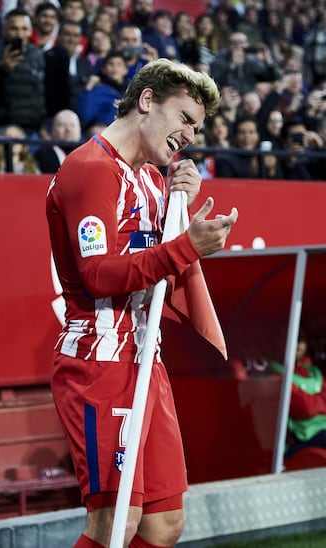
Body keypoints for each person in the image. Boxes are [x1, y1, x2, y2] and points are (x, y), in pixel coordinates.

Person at [46, 58, 238, 548]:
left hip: (146, 363)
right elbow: (98, 275)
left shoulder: (154, 180)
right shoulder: (88, 169)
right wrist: (186, 246)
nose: (190, 133)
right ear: (147, 100)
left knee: (163, 524)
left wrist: (182, 209)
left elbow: (161, 273)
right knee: (115, 523)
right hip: (99, 364)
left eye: (197, 127)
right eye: (185, 118)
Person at [0, 7, 46, 136]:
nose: (19, 33)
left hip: (31, 127)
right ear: (5, 30)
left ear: (30, 31)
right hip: (1, 126)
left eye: (24, 29)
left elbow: (41, 91)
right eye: (14, 28)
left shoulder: (37, 54)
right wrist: (4, 69)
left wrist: (41, 125)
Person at [269, 328, 326, 461]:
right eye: (290, 337)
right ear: (276, 342)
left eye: (300, 339)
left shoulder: (314, 371)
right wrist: (319, 401)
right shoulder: (274, 374)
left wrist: (313, 402)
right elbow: (305, 408)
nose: (296, 343)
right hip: (300, 440)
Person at [35, 108, 81, 173]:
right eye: (62, 125)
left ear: (80, 130)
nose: (68, 130)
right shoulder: (42, 155)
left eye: (72, 125)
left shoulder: (90, 155)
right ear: (52, 130)